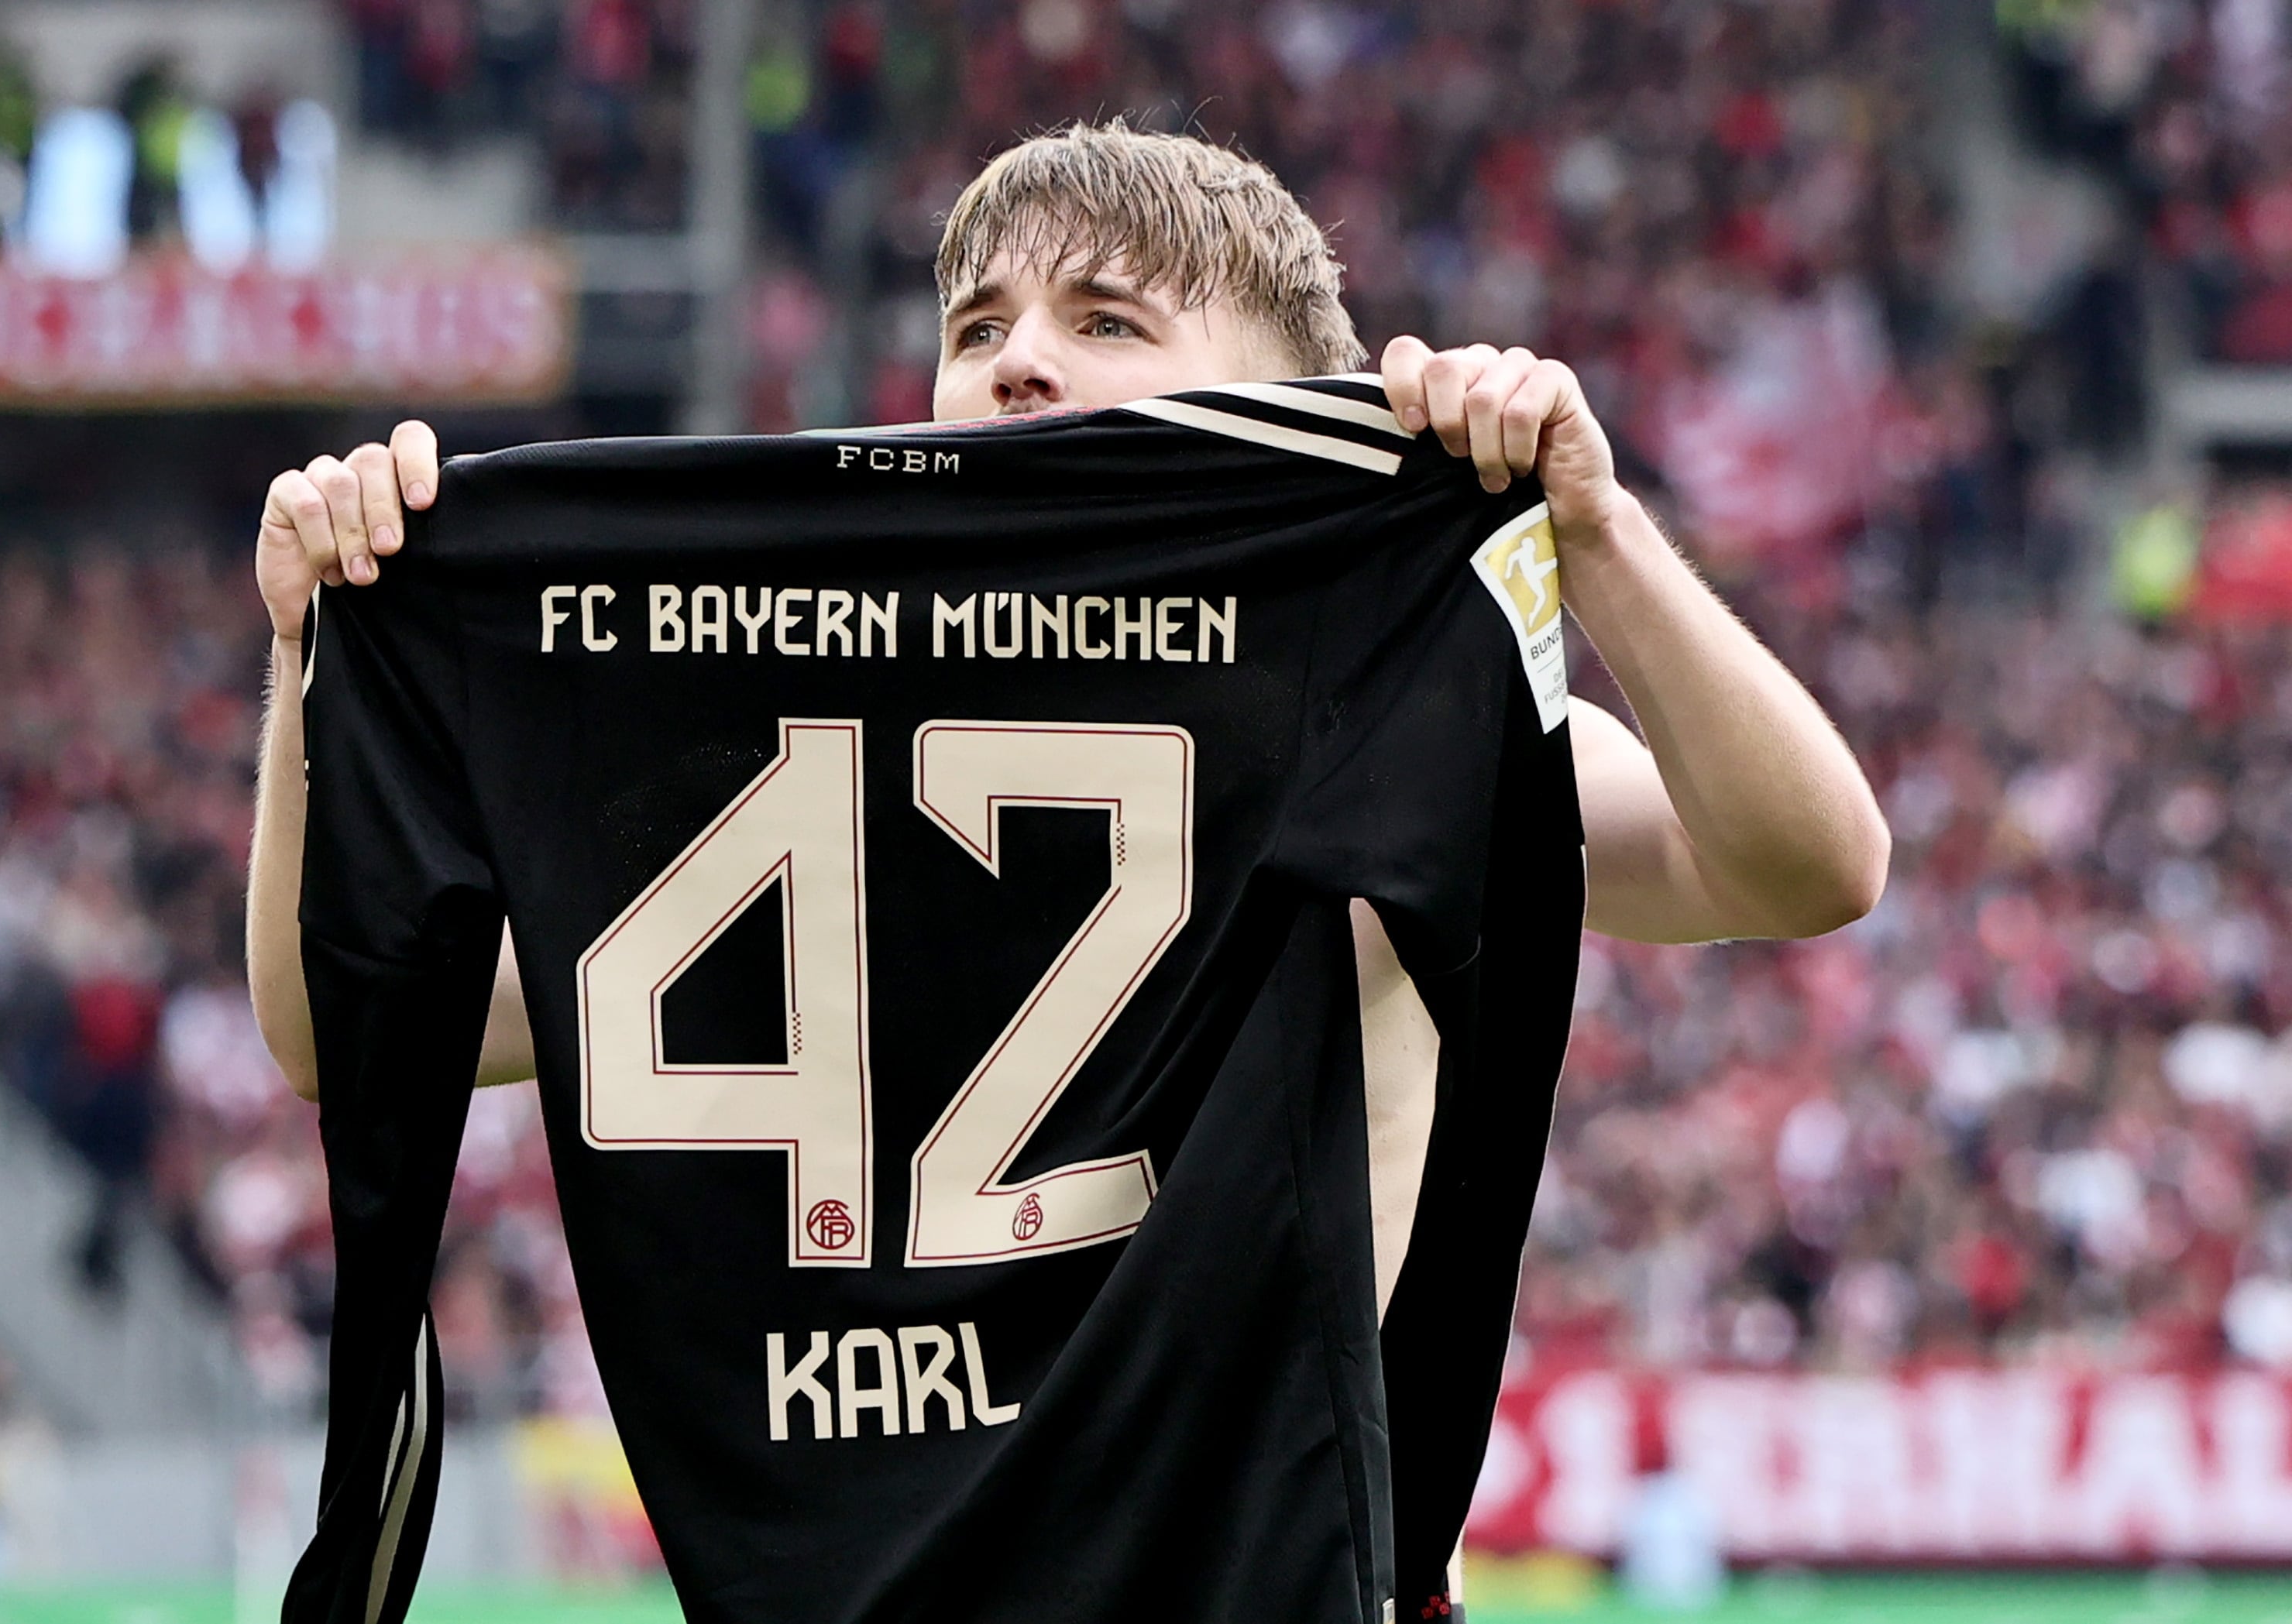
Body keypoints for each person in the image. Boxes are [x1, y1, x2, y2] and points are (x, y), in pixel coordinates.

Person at [248, 118, 1884, 1319]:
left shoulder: (1380, 713)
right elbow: (352, 1030)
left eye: (1106, 321)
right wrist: (313, 654)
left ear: (1289, 410)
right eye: (978, 329)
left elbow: (1804, 864)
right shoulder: (801, 755)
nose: (1017, 365)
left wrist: (1591, 537)